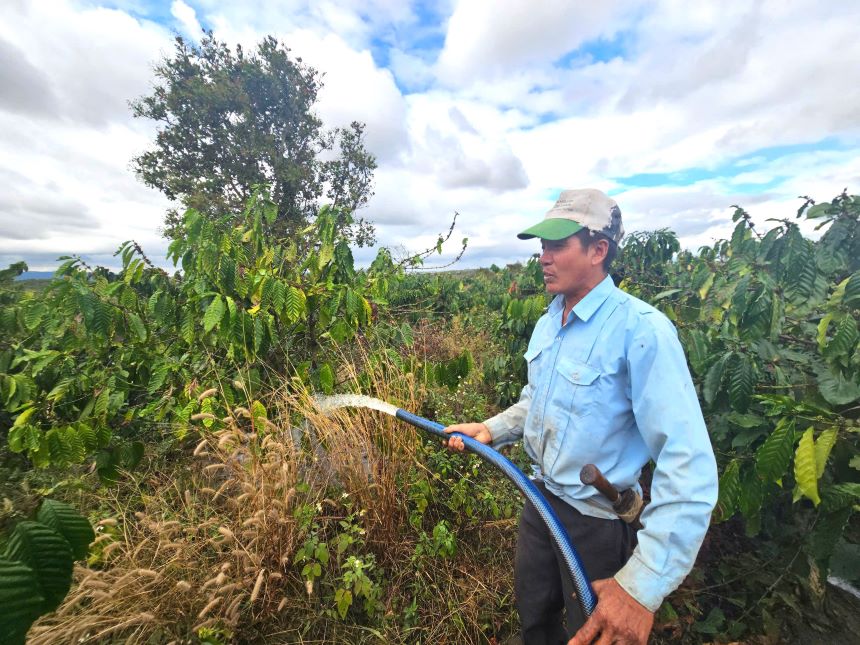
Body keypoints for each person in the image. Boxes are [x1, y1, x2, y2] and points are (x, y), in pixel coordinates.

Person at [445, 189, 718, 645]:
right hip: (540, 503)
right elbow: (539, 401)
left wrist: (641, 588)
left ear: (598, 250)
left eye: (557, 246)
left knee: (590, 635)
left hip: (595, 523)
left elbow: (687, 464)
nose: (543, 258)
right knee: (535, 618)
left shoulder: (642, 331)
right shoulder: (550, 320)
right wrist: (492, 429)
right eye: (542, 247)